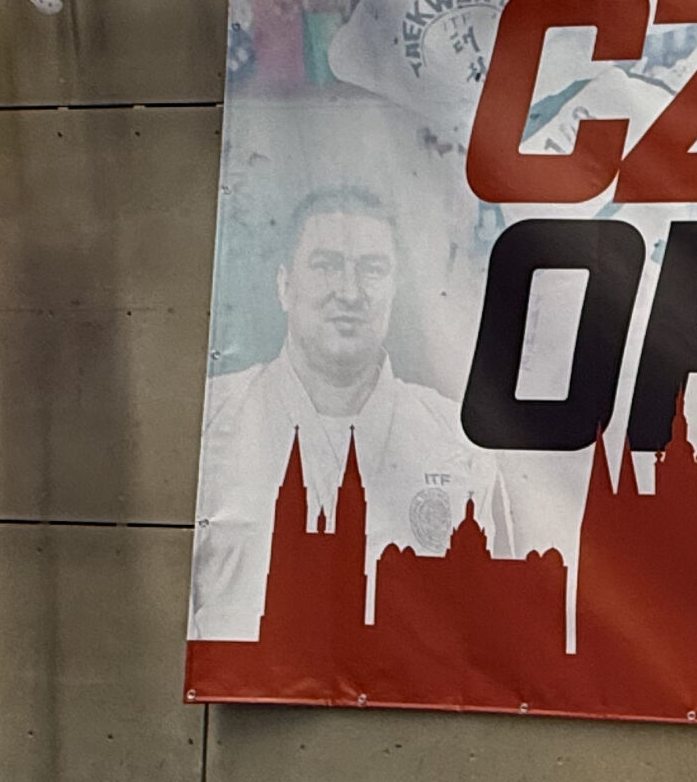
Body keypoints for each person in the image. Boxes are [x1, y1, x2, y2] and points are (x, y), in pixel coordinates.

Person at [190, 185, 511, 640]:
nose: (349, 292)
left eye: (372, 270)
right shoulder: (209, 423)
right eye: (326, 265)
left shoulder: (458, 440)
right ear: (284, 285)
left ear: (395, 289)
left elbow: (491, 626)